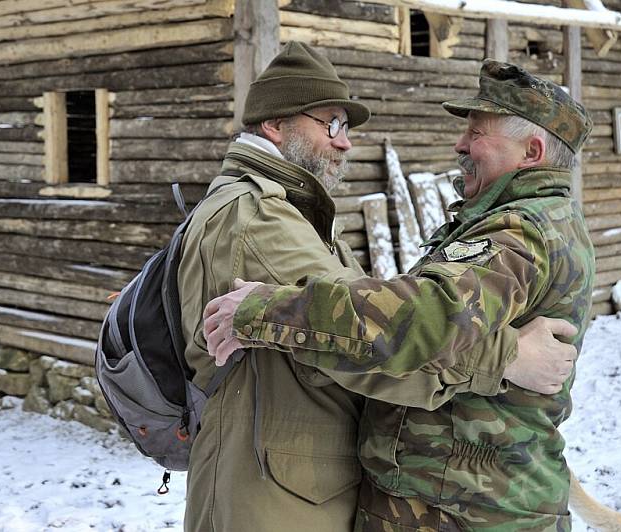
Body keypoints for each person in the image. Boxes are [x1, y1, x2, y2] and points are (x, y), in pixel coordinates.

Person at [204, 59, 596, 531]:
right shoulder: (526, 220)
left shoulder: (520, 231)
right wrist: (510, 355)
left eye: (477, 132)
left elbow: (421, 320)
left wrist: (264, 311)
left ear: (531, 151)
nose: (460, 144)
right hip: (452, 498)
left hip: (462, 509)